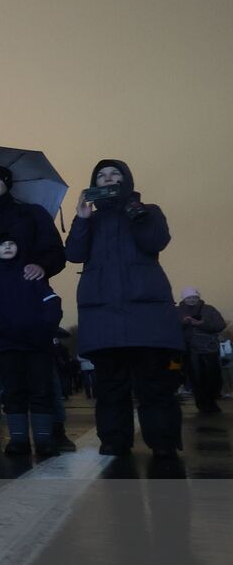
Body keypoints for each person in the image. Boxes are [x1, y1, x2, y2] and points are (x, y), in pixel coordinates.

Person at [65, 160, 184, 458]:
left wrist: (135, 211)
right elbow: (74, 254)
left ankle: (164, 442)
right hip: (103, 313)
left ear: (126, 180)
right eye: (101, 176)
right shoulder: (89, 220)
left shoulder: (148, 210)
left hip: (146, 314)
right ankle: (114, 441)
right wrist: (80, 220)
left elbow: (156, 241)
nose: (107, 179)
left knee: (154, 385)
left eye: (114, 174)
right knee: (111, 386)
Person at [0, 165, 66, 448]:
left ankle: (55, 427)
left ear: (8, 183)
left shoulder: (30, 214)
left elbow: (56, 252)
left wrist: (40, 266)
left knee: (42, 370)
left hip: (27, 303)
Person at [0, 235, 64, 456]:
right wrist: (1, 328)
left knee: (41, 391)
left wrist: (43, 327)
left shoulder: (32, 274)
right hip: (7, 345)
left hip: (37, 345)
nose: (6, 246)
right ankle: (19, 439)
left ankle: (44, 439)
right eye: (2, 243)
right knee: (14, 393)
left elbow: (52, 302)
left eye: (11, 243)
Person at [178, 288, 227, 414]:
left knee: (212, 376)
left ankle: (210, 401)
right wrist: (182, 323)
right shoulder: (177, 311)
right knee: (196, 378)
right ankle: (203, 403)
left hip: (208, 349)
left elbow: (220, 325)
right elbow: (171, 328)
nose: (192, 300)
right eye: (189, 298)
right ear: (184, 299)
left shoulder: (209, 309)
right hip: (189, 350)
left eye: (194, 297)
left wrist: (201, 323)